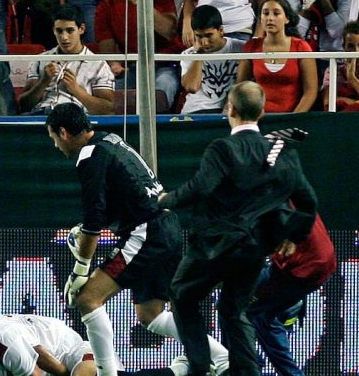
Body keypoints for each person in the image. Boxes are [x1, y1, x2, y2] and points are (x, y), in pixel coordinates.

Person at [45, 103, 229, 376]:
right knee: (151, 315)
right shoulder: (110, 139)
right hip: (167, 227)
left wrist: (80, 270)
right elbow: (111, 207)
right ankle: (222, 357)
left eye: (53, 139)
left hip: (146, 234)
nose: (56, 146)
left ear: (63, 132)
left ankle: (106, 374)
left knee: (87, 299)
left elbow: (95, 220)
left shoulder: (88, 156)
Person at [159, 80, 318, 376]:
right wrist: (293, 236)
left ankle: (198, 366)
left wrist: (166, 200)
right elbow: (308, 203)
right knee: (233, 311)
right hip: (253, 250)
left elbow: (200, 188)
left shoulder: (223, 148)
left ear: (229, 108)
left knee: (182, 295)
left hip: (211, 247)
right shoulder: (283, 153)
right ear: (262, 112)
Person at [247, 207, 336, 376]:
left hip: (300, 271)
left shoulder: (268, 202)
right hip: (318, 266)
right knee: (263, 317)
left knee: (236, 307)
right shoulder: (292, 190)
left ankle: (246, 365)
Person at [94, 0, 183, 111]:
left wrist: (138, 0)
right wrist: (114, 64)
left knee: (158, 95)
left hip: (165, 64)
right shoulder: (105, 7)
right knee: (108, 98)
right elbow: (107, 49)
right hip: (133, 67)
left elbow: (169, 31)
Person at [20, 4, 114, 115]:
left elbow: (108, 110)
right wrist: (44, 81)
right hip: (42, 116)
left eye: (70, 31)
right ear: (53, 30)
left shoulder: (99, 65)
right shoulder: (40, 60)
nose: (64, 37)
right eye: (59, 31)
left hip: (76, 119)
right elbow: (24, 105)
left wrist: (76, 90)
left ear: (81, 29)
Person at [237, 0, 317, 113]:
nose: (270, 18)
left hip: (291, 119)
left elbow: (310, 91)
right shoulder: (251, 46)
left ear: (287, 18)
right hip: (258, 119)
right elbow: (241, 86)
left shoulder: (301, 47)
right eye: (265, 13)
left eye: (276, 13)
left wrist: (293, 118)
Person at [179, 5, 245, 115]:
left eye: (209, 35)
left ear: (221, 30)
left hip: (229, 110)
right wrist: (199, 55)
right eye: (199, 36)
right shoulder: (188, 54)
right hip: (196, 110)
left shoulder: (240, 48)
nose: (204, 42)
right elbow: (192, 87)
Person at [320, 20, 359, 110]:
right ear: (344, 47)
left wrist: (352, 78)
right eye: (351, 46)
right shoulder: (332, 70)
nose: (356, 51)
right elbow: (328, 103)